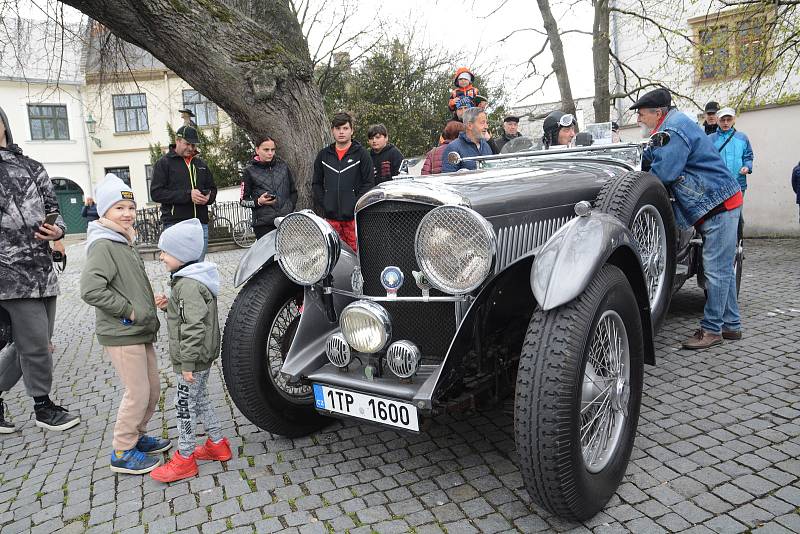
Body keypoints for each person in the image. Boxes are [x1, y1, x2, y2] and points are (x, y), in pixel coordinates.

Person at [632, 88, 742, 349]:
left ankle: (712, 330)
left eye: (641, 114)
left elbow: (664, 173)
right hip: (720, 202)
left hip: (719, 205)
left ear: (658, 113)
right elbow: (652, 155)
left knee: (715, 270)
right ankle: (732, 326)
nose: (638, 119)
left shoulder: (673, 130)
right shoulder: (671, 126)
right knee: (723, 269)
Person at [0, 105, 80, 434]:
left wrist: (57, 230)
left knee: (33, 342)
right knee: (34, 344)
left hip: (42, 271)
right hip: (8, 274)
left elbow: (53, 208)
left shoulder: (31, 165)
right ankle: (43, 407)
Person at [80, 173, 166, 473]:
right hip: (122, 331)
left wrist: (146, 301)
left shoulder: (123, 241)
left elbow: (125, 284)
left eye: (130, 207)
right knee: (138, 392)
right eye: (119, 208)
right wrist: (129, 311)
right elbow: (91, 290)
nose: (127, 214)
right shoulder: (104, 244)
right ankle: (122, 450)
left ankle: (138, 436)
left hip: (140, 328)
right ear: (105, 211)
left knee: (153, 389)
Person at [150, 219, 231, 482]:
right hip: (198, 358)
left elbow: (194, 327)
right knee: (200, 399)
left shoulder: (188, 285)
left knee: (183, 404)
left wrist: (186, 363)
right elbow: (188, 316)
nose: (161, 256)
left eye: (165, 252)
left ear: (182, 254)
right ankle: (217, 444)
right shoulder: (187, 281)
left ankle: (184, 458)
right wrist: (168, 307)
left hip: (193, 360)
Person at [150, 125, 217, 259]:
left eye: (193, 145)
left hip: (200, 225)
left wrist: (209, 197)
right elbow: (156, 193)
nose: (191, 148)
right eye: (187, 144)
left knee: (198, 267)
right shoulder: (163, 163)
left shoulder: (201, 164)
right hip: (175, 224)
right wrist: (188, 195)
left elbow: (213, 188)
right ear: (177, 141)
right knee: (177, 268)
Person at [312, 112, 374, 251]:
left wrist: (355, 204)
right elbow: (316, 183)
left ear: (352, 130)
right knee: (335, 257)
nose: (341, 132)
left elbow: (369, 183)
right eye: (338, 128)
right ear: (332, 130)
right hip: (331, 219)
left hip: (354, 219)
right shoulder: (323, 155)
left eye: (345, 128)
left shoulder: (362, 154)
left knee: (358, 255)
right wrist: (326, 202)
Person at [239, 136, 297, 239]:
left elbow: (293, 192)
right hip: (263, 225)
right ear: (257, 149)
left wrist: (289, 208)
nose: (270, 153)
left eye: (273, 150)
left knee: (286, 255)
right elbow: (243, 201)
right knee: (269, 256)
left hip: (285, 221)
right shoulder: (249, 171)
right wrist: (259, 201)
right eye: (266, 150)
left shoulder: (283, 167)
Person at [709, 107, 753, 240]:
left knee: (737, 215)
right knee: (721, 215)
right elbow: (706, 159)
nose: (726, 123)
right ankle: (722, 243)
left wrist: (747, 166)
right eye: (723, 120)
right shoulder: (710, 139)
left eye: (729, 120)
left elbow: (748, 156)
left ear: (734, 120)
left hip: (738, 183)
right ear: (718, 120)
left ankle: (738, 245)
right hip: (718, 184)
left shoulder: (742, 137)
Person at [441, 107, 493, 172]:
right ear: (470, 125)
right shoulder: (453, 148)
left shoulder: (486, 146)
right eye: (482, 123)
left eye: (486, 123)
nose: (486, 126)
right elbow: (448, 178)